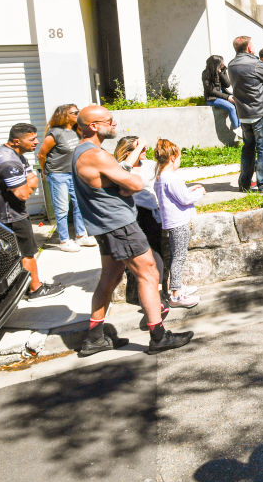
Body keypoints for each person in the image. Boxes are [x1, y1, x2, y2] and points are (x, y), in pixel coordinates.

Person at [72, 105, 192, 356]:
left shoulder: (84, 152)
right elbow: (136, 182)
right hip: (119, 225)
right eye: (109, 120)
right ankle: (158, 335)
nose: (114, 124)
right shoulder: (96, 155)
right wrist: (125, 183)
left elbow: (123, 181)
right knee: (149, 273)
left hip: (106, 225)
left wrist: (121, 181)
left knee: (110, 277)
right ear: (94, 126)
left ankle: (95, 337)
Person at [0, 124, 66, 301]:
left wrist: (30, 179)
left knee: (9, 257)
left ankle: (17, 289)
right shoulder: (9, 162)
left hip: (7, 215)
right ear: (16, 141)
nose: (37, 142)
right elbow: (23, 193)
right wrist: (32, 181)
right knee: (27, 253)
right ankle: (35, 289)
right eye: (32, 139)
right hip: (11, 216)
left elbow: (30, 178)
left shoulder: (13, 154)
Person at [36, 104, 96, 252]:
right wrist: (45, 171)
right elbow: (41, 154)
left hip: (74, 174)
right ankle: (64, 240)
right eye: (74, 112)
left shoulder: (76, 131)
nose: (77, 114)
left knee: (80, 204)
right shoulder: (55, 133)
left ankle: (81, 236)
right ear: (64, 115)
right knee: (62, 208)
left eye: (78, 111)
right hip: (58, 174)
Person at [153, 139, 204, 309]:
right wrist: (199, 193)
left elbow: (177, 196)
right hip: (179, 222)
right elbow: (185, 199)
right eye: (180, 158)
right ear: (173, 158)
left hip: (171, 221)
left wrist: (191, 189)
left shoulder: (160, 177)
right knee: (179, 257)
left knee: (177, 255)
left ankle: (178, 286)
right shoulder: (171, 177)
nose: (180, 162)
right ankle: (176, 294)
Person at [113, 136, 163, 305]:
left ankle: (158, 296)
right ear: (128, 152)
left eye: (143, 148)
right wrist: (139, 144)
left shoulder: (149, 165)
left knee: (157, 254)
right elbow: (124, 168)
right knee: (145, 258)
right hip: (132, 216)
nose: (145, 150)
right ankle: (151, 299)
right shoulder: (120, 169)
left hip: (151, 214)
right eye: (140, 149)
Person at [228, 36, 263, 193]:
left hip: (243, 112)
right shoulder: (256, 63)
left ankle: (244, 183)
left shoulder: (231, 64)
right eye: (253, 45)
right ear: (249, 48)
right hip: (260, 110)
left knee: (248, 148)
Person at [202, 55, 242, 142]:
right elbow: (212, 91)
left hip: (222, 95)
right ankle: (237, 128)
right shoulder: (206, 74)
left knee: (238, 103)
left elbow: (227, 84)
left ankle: (239, 127)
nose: (223, 64)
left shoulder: (221, 70)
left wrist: (221, 72)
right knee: (231, 107)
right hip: (212, 98)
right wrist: (227, 98)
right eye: (221, 63)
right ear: (215, 64)